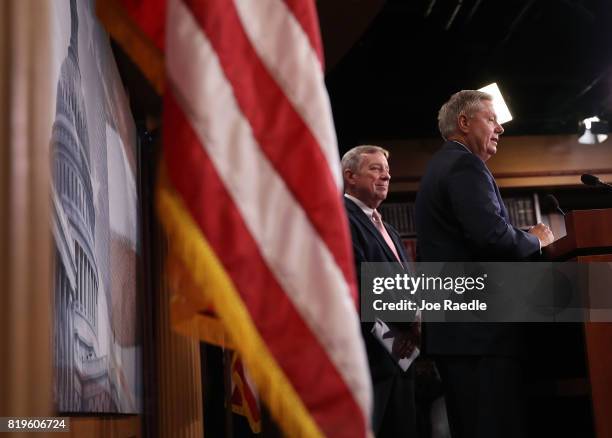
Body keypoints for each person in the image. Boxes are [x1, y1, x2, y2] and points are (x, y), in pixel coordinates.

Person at [415, 90, 554, 438]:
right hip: (479, 333)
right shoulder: (464, 165)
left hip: (461, 332)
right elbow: (491, 237)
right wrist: (537, 239)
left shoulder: (441, 165)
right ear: (464, 123)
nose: (500, 129)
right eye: (491, 119)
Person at [342, 145, 419, 438]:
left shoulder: (390, 229)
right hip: (372, 359)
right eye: (375, 169)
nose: (385, 176)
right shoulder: (344, 220)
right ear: (350, 176)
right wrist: (413, 317)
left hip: (402, 357)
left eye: (387, 171)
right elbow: (362, 284)